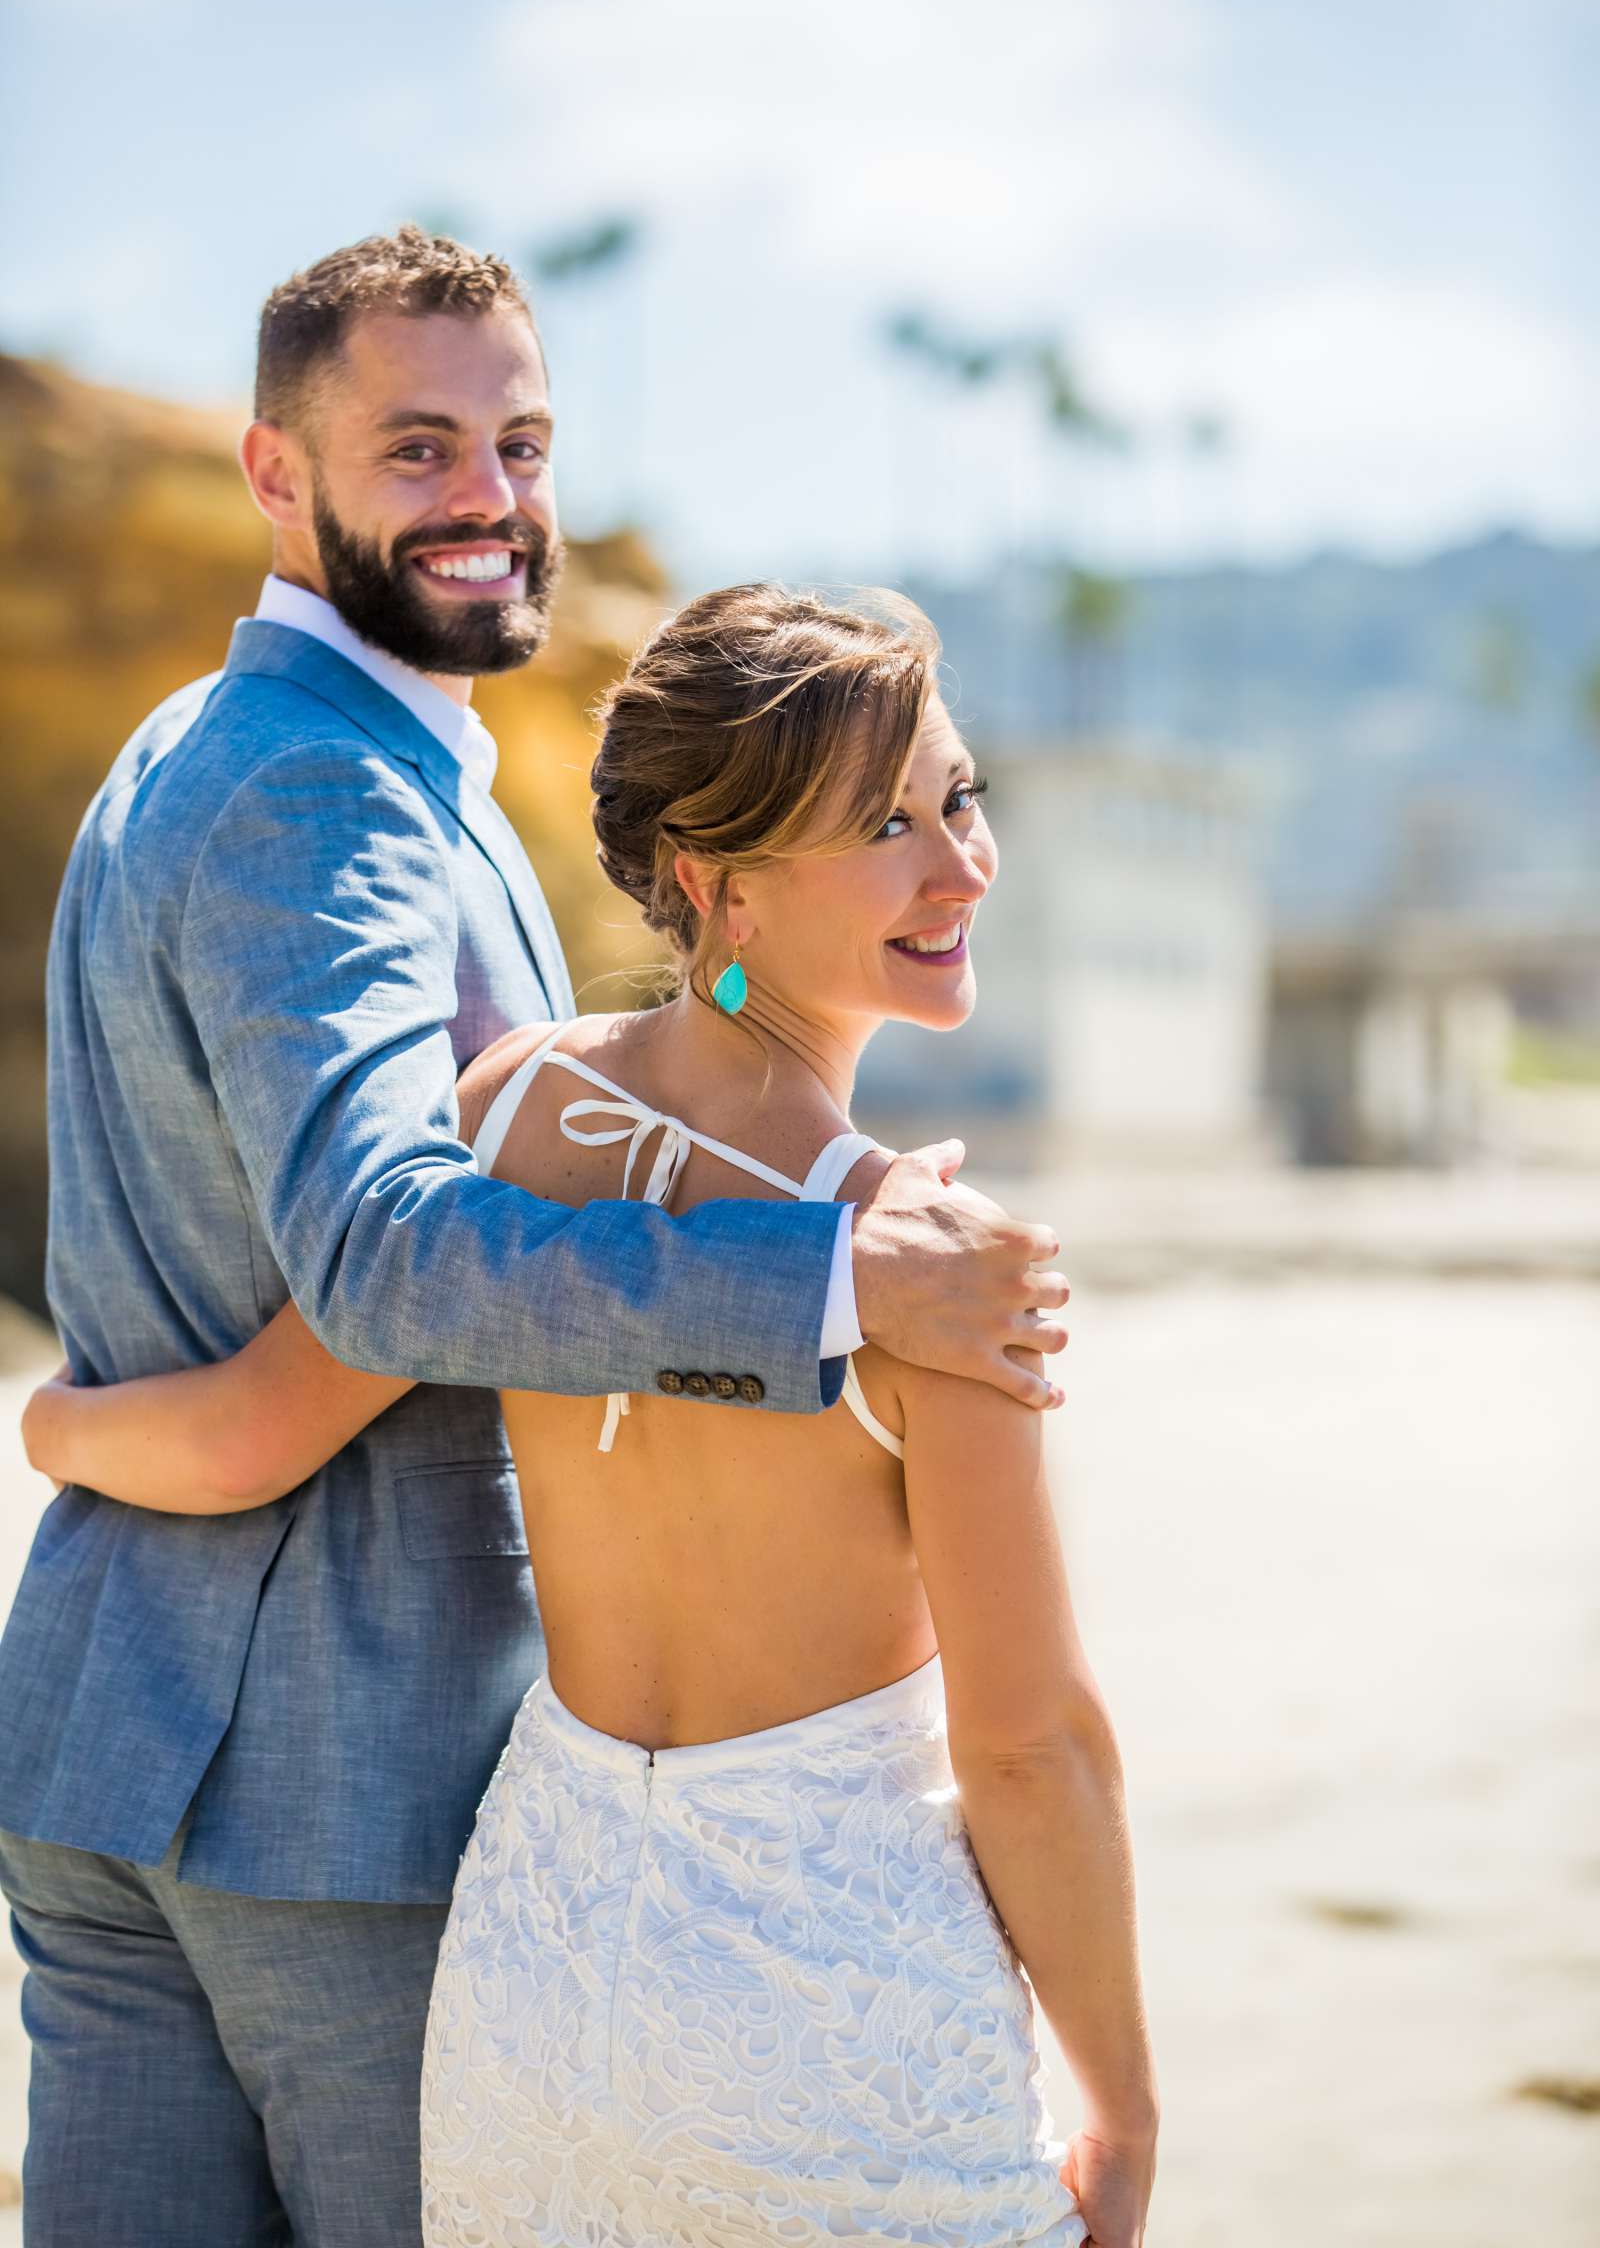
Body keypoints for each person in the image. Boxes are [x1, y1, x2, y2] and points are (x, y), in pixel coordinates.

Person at [0, 229, 1071, 2248]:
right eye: (416, 449)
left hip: (98, 1746)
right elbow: (383, 1258)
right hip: (325, 1789)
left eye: (521, 440)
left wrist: (78, 1435)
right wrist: (842, 1280)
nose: (489, 496)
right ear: (271, 472)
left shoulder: (194, 753)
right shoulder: (328, 801)